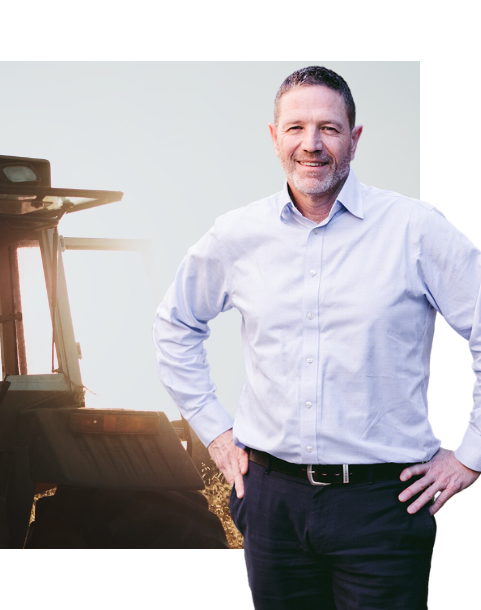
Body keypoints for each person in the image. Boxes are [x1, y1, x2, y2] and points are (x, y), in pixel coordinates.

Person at [153, 66, 481, 608]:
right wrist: (215, 432)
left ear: (354, 139)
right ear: (274, 137)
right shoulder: (238, 235)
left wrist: (471, 454)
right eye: (296, 128)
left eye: (329, 129)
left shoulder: (414, 229)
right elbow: (174, 325)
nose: (312, 144)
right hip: (270, 502)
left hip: (383, 505)